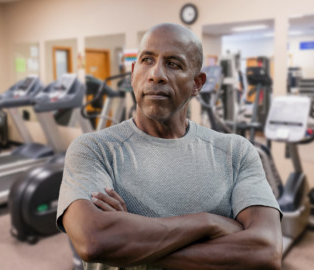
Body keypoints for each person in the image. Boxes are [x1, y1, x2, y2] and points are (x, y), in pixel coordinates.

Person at [57, 22, 283, 270]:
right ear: (133, 73)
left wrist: (128, 241)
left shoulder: (236, 152)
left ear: (197, 83)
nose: (156, 74)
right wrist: (209, 223)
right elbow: (93, 242)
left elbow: (266, 251)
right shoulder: (93, 150)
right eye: (146, 60)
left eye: (173, 64)